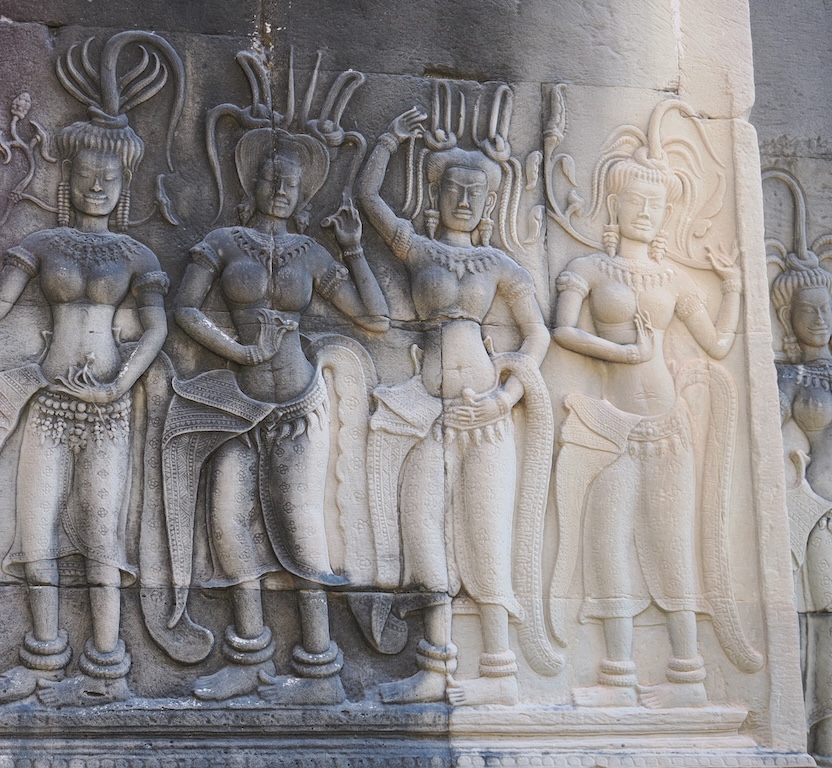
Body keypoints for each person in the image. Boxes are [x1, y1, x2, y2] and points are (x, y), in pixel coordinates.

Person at [0, 32, 181, 706]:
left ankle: (107, 668)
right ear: (69, 178)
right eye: (86, 174)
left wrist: (120, 383)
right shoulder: (41, 242)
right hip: (50, 403)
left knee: (102, 535)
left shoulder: (137, 254)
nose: (97, 185)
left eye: (109, 177)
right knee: (36, 530)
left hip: (108, 410)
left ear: (123, 184)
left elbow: (157, 327)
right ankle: (44, 660)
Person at [163, 126, 390, 705]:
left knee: (299, 526)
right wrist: (239, 351)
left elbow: (375, 319)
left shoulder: (310, 253)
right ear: (251, 183)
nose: (280, 188)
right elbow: (184, 307)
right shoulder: (223, 242)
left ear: (303, 191)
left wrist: (354, 249)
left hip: (298, 404)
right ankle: (251, 657)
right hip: (236, 402)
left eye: (291, 181)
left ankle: (320, 670)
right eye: (269, 177)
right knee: (226, 523)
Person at [356, 105, 556, 706]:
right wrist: (389, 139)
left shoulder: (498, 265)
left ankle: (499, 673)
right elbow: (368, 200)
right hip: (427, 415)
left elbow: (537, 334)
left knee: (487, 537)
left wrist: (506, 398)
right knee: (422, 531)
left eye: (475, 192)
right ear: (437, 196)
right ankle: (435, 667)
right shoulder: (419, 251)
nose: (464, 200)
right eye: (454, 190)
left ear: (488, 203)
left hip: (485, 418)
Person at [551, 102, 745, 708]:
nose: (645, 212)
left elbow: (718, 344)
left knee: (670, 545)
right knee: (606, 542)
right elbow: (561, 330)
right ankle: (618, 675)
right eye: (636, 201)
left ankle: (687, 676)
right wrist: (623, 352)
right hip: (610, 425)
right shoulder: (586, 268)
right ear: (614, 204)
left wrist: (734, 287)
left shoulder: (674, 279)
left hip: (667, 428)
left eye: (656, 205)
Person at [768, 168, 832, 757]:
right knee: (813, 617)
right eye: (807, 310)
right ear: (788, 316)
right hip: (809, 513)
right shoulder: (786, 376)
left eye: (826, 309)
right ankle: (815, 727)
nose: (818, 320)